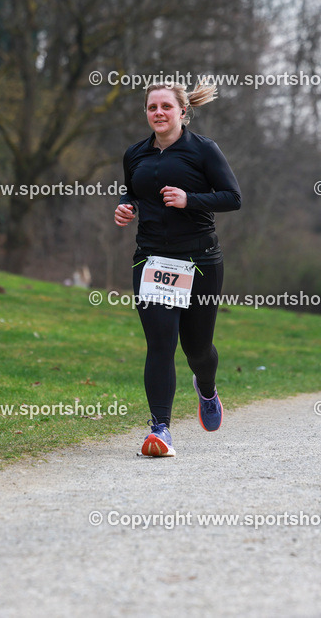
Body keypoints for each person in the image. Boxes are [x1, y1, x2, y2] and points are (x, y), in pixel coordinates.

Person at [114, 81, 241, 458]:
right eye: (152, 107)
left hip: (199, 260)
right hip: (152, 259)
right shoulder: (135, 154)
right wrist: (126, 207)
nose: (158, 113)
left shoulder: (203, 150)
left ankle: (206, 387)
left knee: (197, 348)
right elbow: (132, 192)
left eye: (166, 107)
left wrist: (190, 200)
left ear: (182, 112)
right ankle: (161, 429)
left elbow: (233, 197)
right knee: (160, 344)